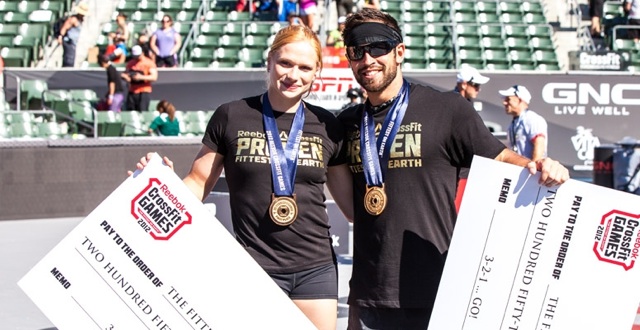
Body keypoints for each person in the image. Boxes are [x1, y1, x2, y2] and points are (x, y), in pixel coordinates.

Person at [338, 9, 569, 328]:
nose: (367, 59)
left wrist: (541, 165)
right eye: (356, 50)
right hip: (370, 298)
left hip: (439, 291)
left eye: (378, 47)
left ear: (400, 51)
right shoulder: (346, 124)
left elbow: (500, 158)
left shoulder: (446, 109)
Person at [131, 24, 354, 330]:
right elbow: (198, 181)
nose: (293, 75)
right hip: (254, 266)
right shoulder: (232, 115)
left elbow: (353, 208)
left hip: (316, 268)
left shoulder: (328, 125)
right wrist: (161, 186)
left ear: (317, 72)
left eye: (305, 67)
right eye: (285, 63)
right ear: (270, 61)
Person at [500, 85, 548, 161]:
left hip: (530, 170)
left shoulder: (532, 119)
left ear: (519, 100)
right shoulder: (513, 123)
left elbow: (539, 146)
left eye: (508, 99)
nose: (504, 103)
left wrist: (533, 169)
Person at [122, 45, 158, 111]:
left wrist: (141, 77)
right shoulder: (131, 63)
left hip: (143, 91)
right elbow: (126, 73)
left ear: (142, 53)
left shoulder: (149, 63)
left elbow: (154, 77)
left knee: (142, 110)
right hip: (132, 91)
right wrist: (125, 77)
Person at [57, 1, 89, 67]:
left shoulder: (80, 20)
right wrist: (60, 36)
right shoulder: (73, 19)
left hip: (73, 42)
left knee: (71, 59)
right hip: (69, 41)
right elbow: (64, 28)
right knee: (69, 59)